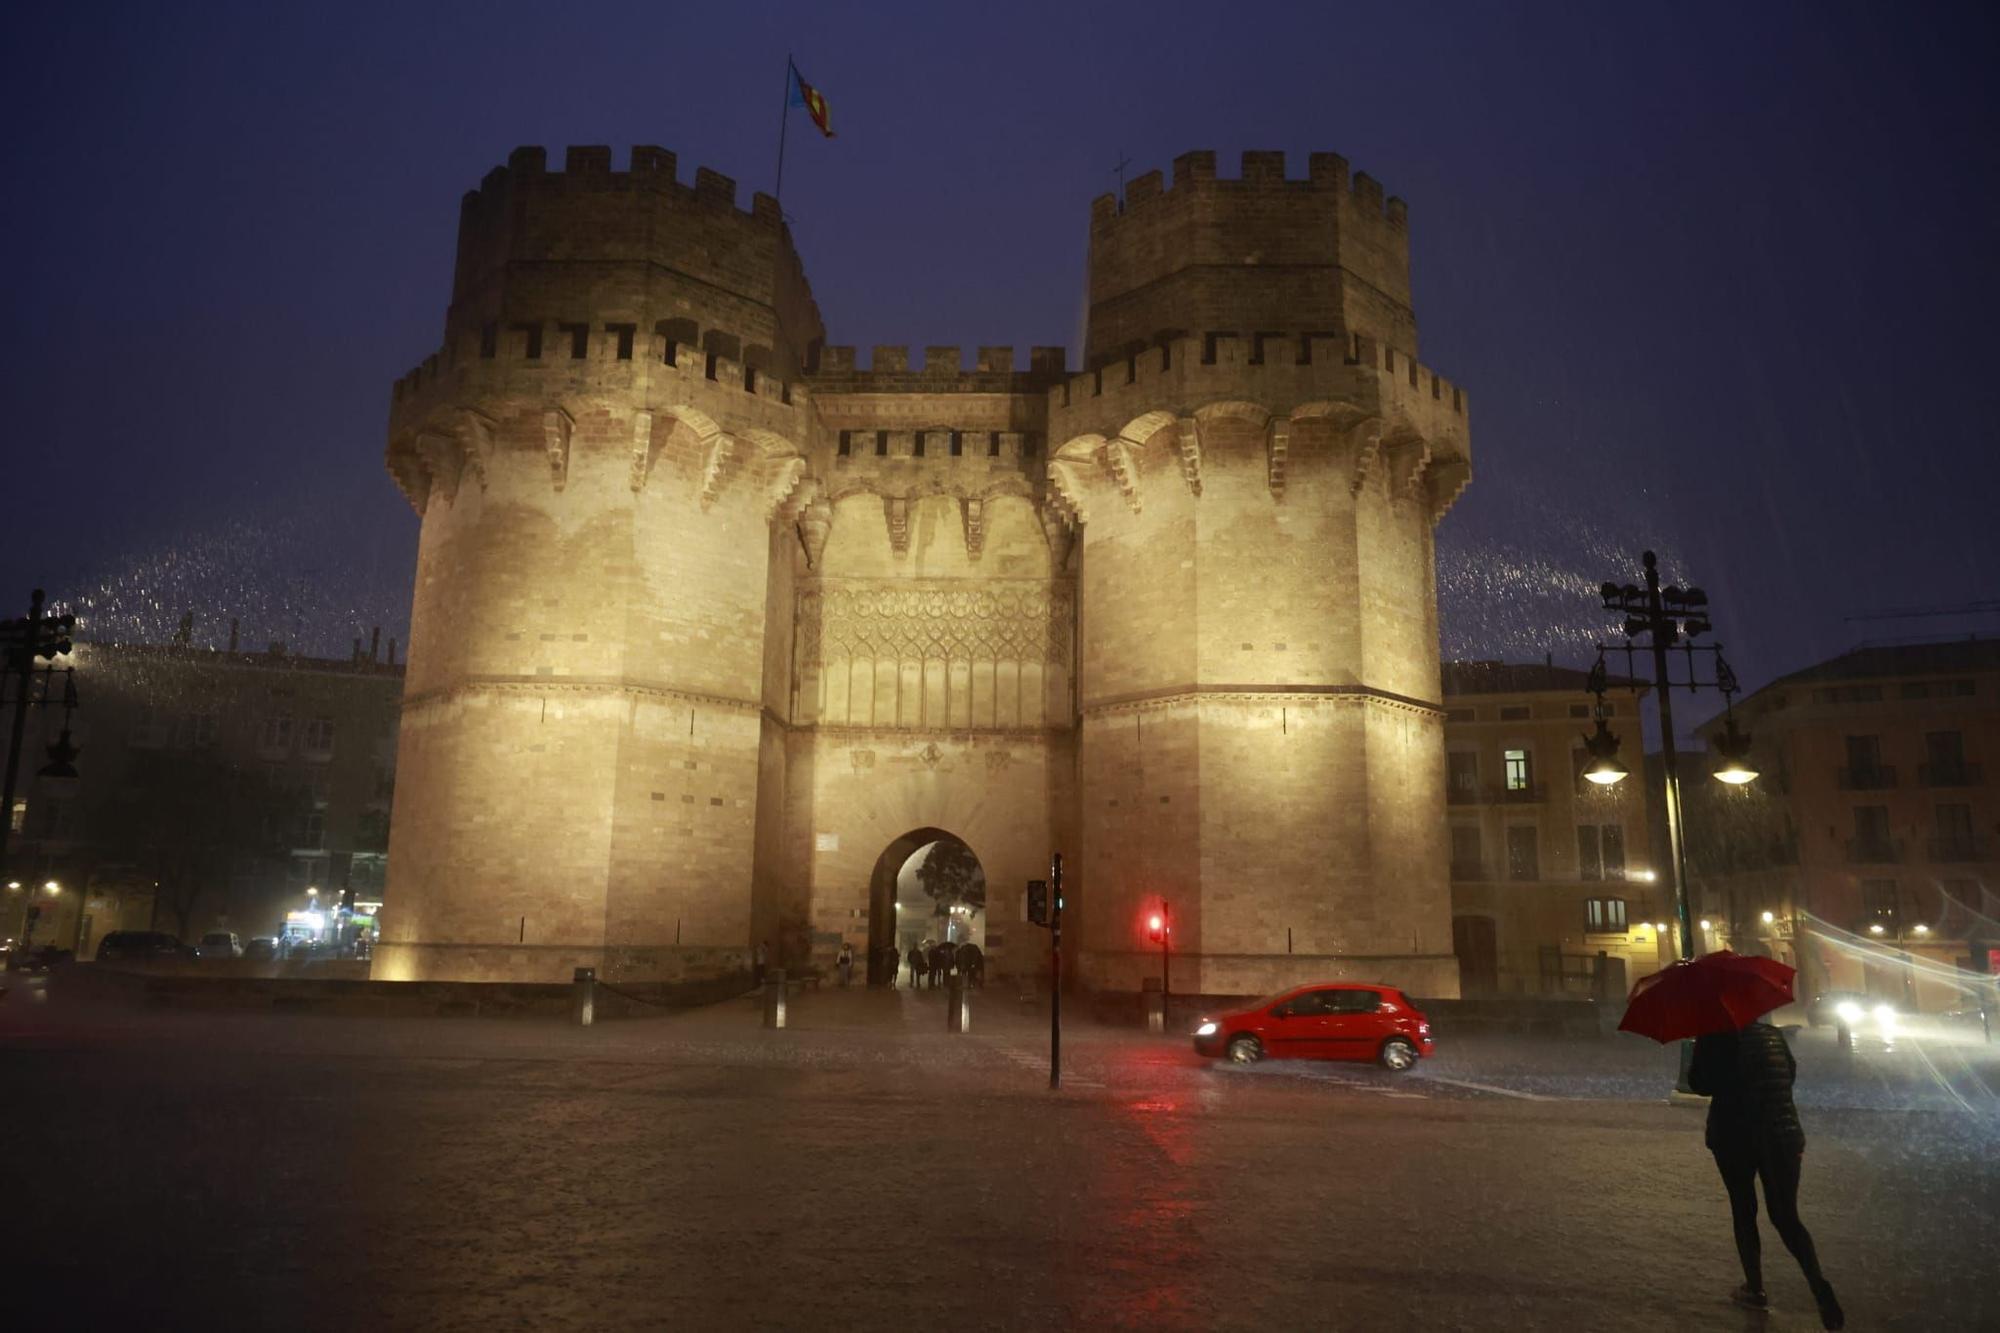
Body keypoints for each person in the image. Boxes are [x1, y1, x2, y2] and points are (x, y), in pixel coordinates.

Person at [1688, 1020, 1844, 1329]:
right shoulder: (1773, 1035)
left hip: (1735, 1135)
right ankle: (1816, 1282)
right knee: (1786, 1216)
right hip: (1783, 1133)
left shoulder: (1713, 1034)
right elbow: (1790, 1074)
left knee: (1744, 1210)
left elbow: (1700, 1084)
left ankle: (1755, 1288)